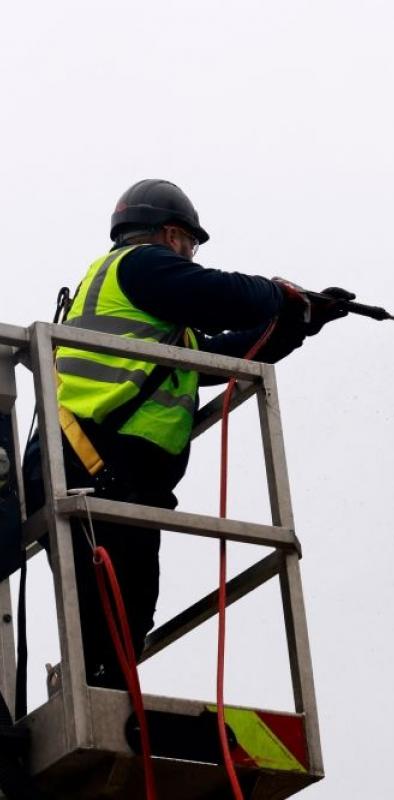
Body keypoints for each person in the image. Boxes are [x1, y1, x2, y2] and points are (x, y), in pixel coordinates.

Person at [23, 178, 353, 689]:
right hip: (90, 461)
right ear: (171, 235)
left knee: (123, 609)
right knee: (113, 606)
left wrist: (301, 324)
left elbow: (224, 357)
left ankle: (95, 687)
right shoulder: (137, 264)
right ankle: (92, 689)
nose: (192, 257)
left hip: (105, 469)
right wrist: (281, 294)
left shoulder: (151, 316)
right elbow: (221, 297)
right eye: (191, 246)